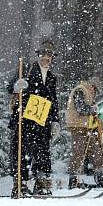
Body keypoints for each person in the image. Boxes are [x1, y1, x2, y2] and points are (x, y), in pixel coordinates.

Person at [6, 40, 61, 197]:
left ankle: (41, 182)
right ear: (38, 55)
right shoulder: (27, 69)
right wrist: (17, 85)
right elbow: (10, 87)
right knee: (20, 151)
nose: (46, 57)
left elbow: (53, 100)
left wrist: (55, 120)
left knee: (43, 151)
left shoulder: (51, 77)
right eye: (43, 54)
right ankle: (20, 184)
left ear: (52, 57)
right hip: (24, 118)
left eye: (49, 55)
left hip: (42, 119)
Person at [66, 76, 103, 189]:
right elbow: (81, 108)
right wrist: (92, 109)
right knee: (78, 152)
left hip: (88, 127)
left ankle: (101, 177)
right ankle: (73, 180)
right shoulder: (81, 90)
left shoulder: (88, 93)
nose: (95, 93)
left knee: (96, 151)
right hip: (78, 126)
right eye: (95, 90)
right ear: (92, 87)